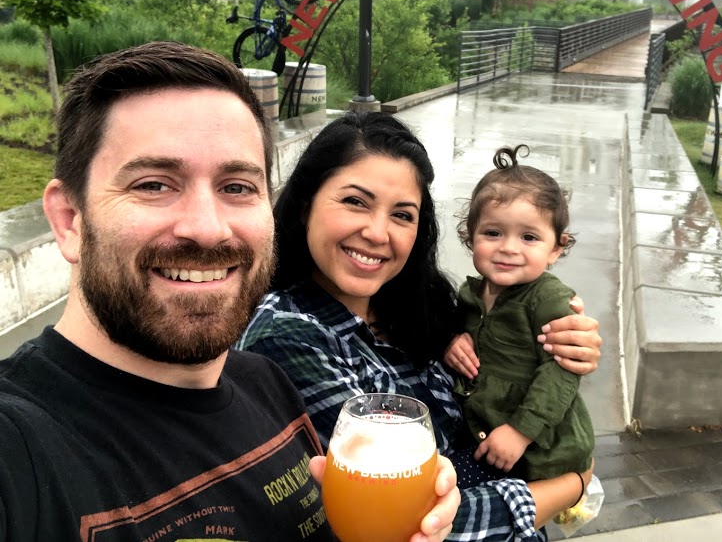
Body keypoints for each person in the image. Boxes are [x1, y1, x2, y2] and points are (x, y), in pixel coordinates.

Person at [0, 42, 458, 542]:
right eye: (154, 184)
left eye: (237, 186)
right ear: (69, 220)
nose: (208, 228)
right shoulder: (22, 448)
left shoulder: (268, 385)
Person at [238, 112, 603, 541]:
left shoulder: (419, 306)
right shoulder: (288, 336)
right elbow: (416, 521)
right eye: (355, 201)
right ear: (306, 206)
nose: (377, 232)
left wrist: (567, 343)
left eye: (402, 215)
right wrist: (573, 484)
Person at [445, 145, 593, 514]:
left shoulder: (548, 299)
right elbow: (453, 330)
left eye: (529, 237)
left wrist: (521, 431)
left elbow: (562, 371)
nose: (508, 248)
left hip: (536, 448)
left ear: (557, 248)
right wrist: (449, 340)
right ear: (470, 237)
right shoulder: (470, 294)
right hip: (488, 434)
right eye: (493, 233)